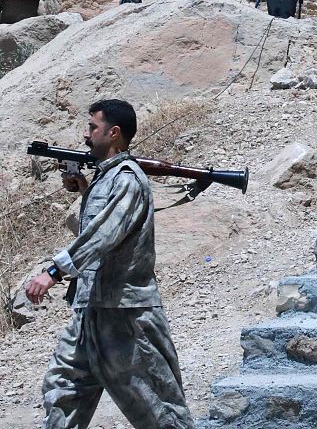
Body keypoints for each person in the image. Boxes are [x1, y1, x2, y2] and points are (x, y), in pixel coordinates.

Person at [24, 99, 193, 429]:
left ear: (114, 133)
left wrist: (54, 271)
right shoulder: (106, 180)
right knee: (63, 391)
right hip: (91, 311)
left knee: (158, 407)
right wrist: (84, 189)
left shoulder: (128, 179)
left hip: (125, 315)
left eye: (93, 127)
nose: (86, 134)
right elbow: (97, 229)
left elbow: (103, 235)